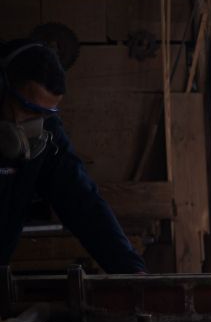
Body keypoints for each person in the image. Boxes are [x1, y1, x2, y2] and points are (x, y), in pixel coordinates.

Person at [0, 39, 146, 273]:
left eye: (44, 114)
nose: (35, 123)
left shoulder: (47, 136)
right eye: (28, 108)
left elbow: (83, 203)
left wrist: (133, 274)